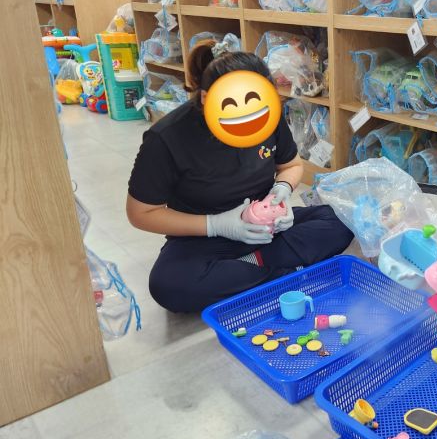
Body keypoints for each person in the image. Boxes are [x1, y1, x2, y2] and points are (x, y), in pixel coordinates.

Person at [127, 41, 354, 312]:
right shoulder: (167, 137)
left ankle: (256, 267)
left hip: (266, 227)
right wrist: (216, 225)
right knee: (169, 285)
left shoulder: (265, 114)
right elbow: (140, 213)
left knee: (341, 219)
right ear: (205, 98)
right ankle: (279, 271)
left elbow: (291, 165)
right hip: (203, 238)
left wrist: (282, 190)